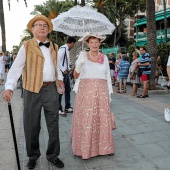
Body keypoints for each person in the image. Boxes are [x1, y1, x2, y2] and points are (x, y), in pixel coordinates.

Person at [2, 15, 65, 169]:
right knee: (31, 124)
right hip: (31, 89)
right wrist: (9, 87)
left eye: (45, 25)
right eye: (38, 25)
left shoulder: (54, 46)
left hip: (50, 88)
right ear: (33, 29)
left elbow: (56, 67)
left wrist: (60, 79)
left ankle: (53, 155)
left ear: (48, 29)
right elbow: (16, 68)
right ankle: (33, 155)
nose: (42, 27)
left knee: (53, 123)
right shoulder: (26, 46)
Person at [71, 32, 116, 159]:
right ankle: (84, 148)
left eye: (96, 42)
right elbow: (75, 75)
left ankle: (104, 147)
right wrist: (79, 65)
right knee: (87, 117)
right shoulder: (82, 56)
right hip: (86, 91)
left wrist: (109, 92)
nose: (94, 44)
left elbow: (107, 75)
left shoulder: (104, 57)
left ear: (99, 43)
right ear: (87, 44)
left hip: (101, 91)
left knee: (102, 118)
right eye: (92, 42)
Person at [58, 36, 76, 117]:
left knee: (68, 90)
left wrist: (69, 68)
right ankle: (58, 108)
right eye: (74, 44)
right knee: (61, 91)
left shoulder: (67, 50)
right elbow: (56, 60)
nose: (74, 46)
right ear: (72, 43)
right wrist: (62, 69)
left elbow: (66, 62)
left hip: (66, 73)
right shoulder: (63, 49)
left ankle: (67, 106)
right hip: (62, 73)